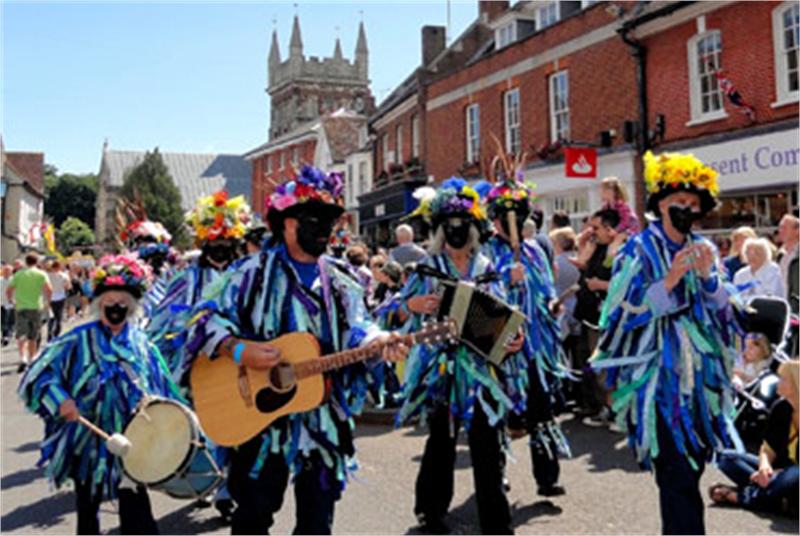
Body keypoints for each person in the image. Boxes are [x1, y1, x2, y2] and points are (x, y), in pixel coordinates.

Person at [186, 165, 408, 535]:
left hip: (321, 417)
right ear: (286, 223)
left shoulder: (339, 279)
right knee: (253, 517)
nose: (325, 228)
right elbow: (203, 319)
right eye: (313, 219)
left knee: (318, 522)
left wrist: (377, 342)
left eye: (330, 220)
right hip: (261, 416)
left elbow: (358, 325)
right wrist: (239, 350)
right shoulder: (250, 273)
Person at [591, 150, 741, 535]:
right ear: (660, 203)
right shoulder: (638, 251)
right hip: (659, 385)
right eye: (679, 202)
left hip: (701, 388)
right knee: (676, 479)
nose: (687, 210)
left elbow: (727, 316)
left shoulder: (705, 249)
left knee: (690, 473)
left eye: (694, 204)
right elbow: (620, 317)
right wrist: (670, 282)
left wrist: (709, 279)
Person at [395, 177, 525, 534]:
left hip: (481, 372)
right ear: (439, 229)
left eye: (463, 226)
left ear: (473, 229)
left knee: (486, 443)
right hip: (441, 369)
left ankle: (496, 522)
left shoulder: (487, 268)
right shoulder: (427, 268)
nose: (456, 233)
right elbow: (393, 312)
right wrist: (412, 303)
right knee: (441, 443)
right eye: (449, 227)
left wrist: (514, 337)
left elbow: (505, 314)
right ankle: (431, 510)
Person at [17, 254, 182, 534]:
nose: (115, 309)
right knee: (88, 511)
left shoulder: (143, 346)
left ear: (131, 308)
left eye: (121, 304)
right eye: (108, 304)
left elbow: (163, 389)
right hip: (88, 440)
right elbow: (37, 376)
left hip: (134, 441)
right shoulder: (75, 340)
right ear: (98, 305)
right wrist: (61, 401)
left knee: (138, 516)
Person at [147, 190, 252, 523]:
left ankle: (228, 488)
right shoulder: (186, 278)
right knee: (208, 426)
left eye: (226, 243)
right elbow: (162, 319)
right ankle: (212, 483)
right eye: (214, 244)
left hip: (240, 364)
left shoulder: (247, 276)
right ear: (205, 244)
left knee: (239, 428)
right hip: (198, 368)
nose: (220, 250)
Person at [482, 172, 571, 498]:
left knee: (542, 411)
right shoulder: (486, 253)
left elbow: (547, 289)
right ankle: (497, 473)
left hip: (536, 348)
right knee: (500, 413)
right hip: (504, 349)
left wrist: (552, 305)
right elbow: (482, 296)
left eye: (521, 216)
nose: (516, 223)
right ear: (496, 220)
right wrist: (506, 277)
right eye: (510, 217)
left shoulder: (534, 250)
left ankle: (547, 477)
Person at [709, 359, 799, 517]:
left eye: (783, 378)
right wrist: (764, 468)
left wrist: (777, 474)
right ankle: (778, 500)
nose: (778, 381)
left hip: (793, 475)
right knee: (726, 458)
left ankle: (742, 496)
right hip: (778, 473)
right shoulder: (781, 408)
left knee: (794, 474)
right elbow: (767, 447)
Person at [572, 208, 619, 420]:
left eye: (596, 227)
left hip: (605, 320)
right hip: (588, 315)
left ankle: (614, 410)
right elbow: (584, 269)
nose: (592, 231)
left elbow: (625, 285)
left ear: (611, 229)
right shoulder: (597, 248)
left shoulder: (618, 251)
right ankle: (602, 407)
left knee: (605, 368)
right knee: (592, 366)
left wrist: (600, 284)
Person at [7, 253, 52, 372]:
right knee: (33, 334)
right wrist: (47, 301)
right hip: (36, 306)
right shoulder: (41, 274)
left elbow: (9, 289)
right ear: (36, 262)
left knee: (21, 334)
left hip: (21, 307)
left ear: (26, 262)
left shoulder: (18, 274)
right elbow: (49, 289)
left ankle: (23, 357)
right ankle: (32, 358)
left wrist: (12, 300)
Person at [776, 215, 799, 355]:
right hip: (784, 311)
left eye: (784, 227)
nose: (780, 230)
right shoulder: (780, 256)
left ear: (797, 231)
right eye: (780, 227)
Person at [46, 261, 71, 341]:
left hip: (50, 297)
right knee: (59, 316)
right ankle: (56, 332)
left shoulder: (47, 276)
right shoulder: (64, 275)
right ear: (59, 267)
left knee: (51, 316)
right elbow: (68, 287)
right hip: (60, 297)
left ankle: (49, 333)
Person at [1, 263, 14, 345]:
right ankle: (5, 335)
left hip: (11, 303)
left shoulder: (14, 280)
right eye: (5, 270)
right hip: (2, 302)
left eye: (8, 271)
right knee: (3, 320)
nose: (6, 272)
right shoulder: (0, 280)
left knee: (10, 321)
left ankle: (8, 335)